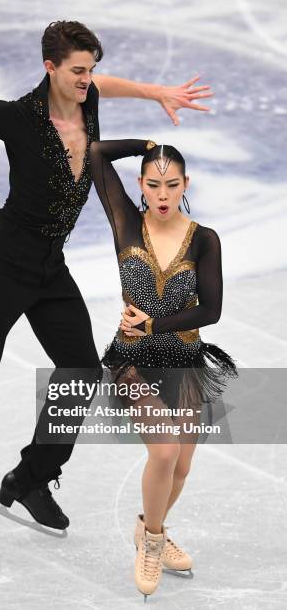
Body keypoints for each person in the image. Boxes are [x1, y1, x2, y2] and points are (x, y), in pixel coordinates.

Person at [0, 20, 214, 556]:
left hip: (49, 267)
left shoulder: (87, 100)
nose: (87, 80)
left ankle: (30, 477)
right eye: (77, 71)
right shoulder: (15, 116)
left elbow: (107, 84)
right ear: (50, 68)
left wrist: (154, 91)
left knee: (80, 370)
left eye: (90, 70)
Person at [89, 138, 238, 598]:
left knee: (182, 467)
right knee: (165, 452)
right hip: (132, 360)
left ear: (185, 185)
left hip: (185, 360)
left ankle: (146, 525)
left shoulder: (204, 239)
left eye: (172, 184)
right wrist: (148, 145)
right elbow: (95, 154)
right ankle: (152, 542)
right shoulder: (124, 222)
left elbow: (210, 311)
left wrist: (154, 323)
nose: (162, 194)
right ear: (140, 185)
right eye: (153, 184)